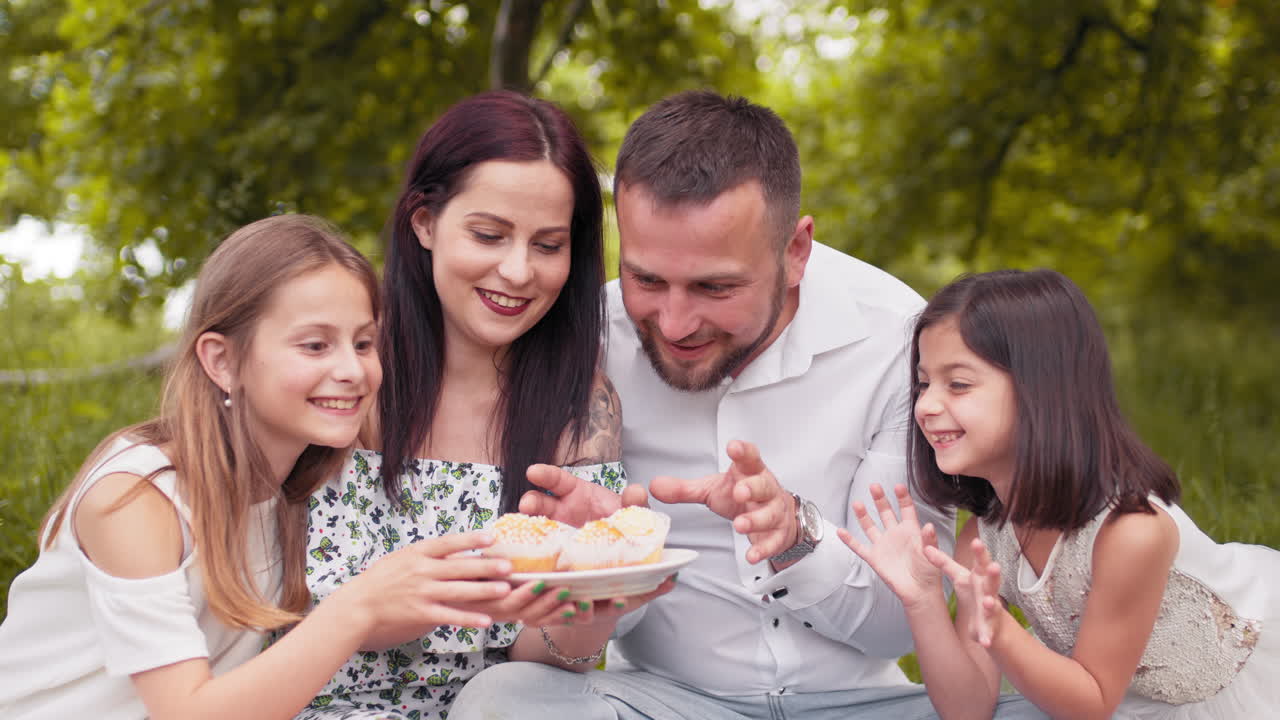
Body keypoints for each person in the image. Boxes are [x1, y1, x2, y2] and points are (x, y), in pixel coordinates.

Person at [451, 92, 1045, 719]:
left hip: (866, 704)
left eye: (715, 286)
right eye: (647, 280)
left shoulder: (899, 342)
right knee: (501, 702)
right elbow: (587, 636)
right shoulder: (589, 341)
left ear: (795, 251)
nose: (675, 323)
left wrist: (796, 538)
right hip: (662, 701)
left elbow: (897, 628)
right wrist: (609, 560)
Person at [0, 215, 519, 720]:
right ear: (222, 361)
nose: (351, 370)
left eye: (363, 343)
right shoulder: (137, 501)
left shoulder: (314, 477)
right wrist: (358, 608)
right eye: (315, 345)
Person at [288, 91, 670, 720]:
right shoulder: (350, 373)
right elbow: (294, 611)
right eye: (489, 235)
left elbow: (542, 674)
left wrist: (587, 601)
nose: (517, 271)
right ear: (424, 222)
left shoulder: (583, 404)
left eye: (548, 245)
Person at [839, 269, 1280, 719]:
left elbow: (1091, 704)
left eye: (958, 384)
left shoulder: (1131, 531)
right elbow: (967, 710)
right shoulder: (987, 538)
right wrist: (924, 600)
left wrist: (1001, 631)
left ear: (1041, 390)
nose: (926, 405)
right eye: (924, 383)